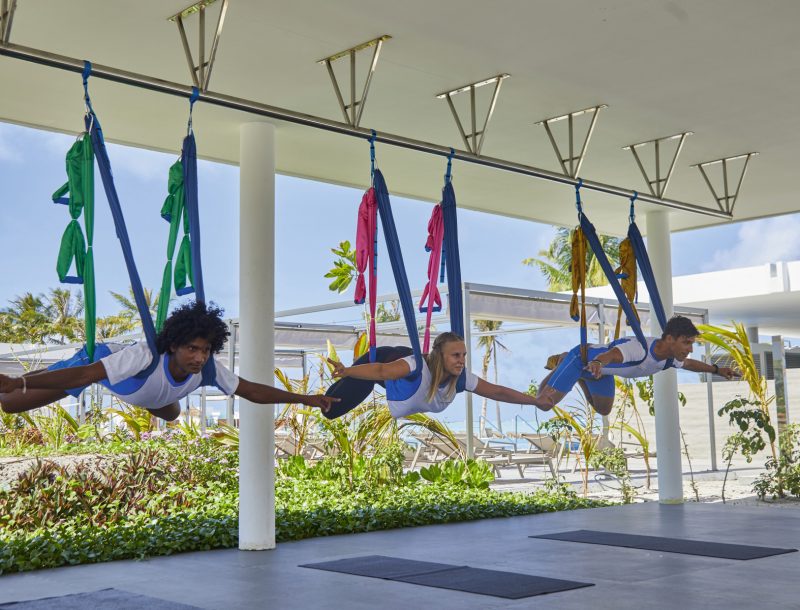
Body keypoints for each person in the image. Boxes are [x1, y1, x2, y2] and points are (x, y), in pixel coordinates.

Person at [0, 301, 337, 420]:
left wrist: (305, 399)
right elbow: (83, 375)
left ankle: (145, 399)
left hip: (150, 394)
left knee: (173, 413)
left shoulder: (206, 368)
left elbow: (250, 391)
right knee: (10, 404)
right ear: (174, 344)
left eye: (205, 350)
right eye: (192, 348)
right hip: (106, 369)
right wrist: (18, 382)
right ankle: (16, 381)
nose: (199, 356)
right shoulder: (144, 355)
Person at [531, 315, 739, 415]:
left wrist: (718, 370)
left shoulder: (670, 357)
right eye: (686, 342)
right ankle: (563, 362)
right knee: (544, 403)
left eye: (691, 343)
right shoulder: (639, 348)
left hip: (599, 372)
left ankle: (582, 378)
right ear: (669, 339)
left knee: (603, 409)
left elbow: (689, 364)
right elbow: (611, 355)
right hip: (584, 359)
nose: (689, 348)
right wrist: (596, 362)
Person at [325, 331, 546, 419]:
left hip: (408, 373)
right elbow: (383, 370)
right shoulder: (416, 365)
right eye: (455, 355)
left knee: (334, 406)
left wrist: (535, 401)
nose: (461, 360)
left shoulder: (461, 377)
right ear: (440, 355)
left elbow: (497, 391)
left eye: (464, 355)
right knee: (332, 409)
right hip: (386, 359)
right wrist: (348, 370)